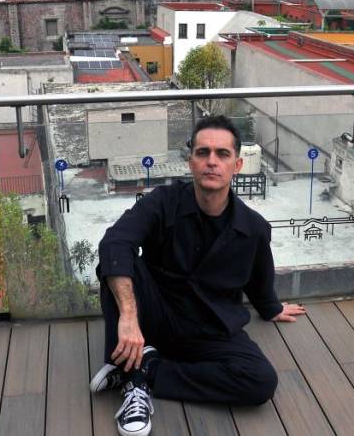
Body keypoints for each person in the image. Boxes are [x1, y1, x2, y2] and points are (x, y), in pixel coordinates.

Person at [90, 115, 306, 436]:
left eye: (222, 154)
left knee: (260, 381)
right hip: (156, 317)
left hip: (211, 330)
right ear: (190, 160)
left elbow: (260, 278)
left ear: (237, 165)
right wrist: (130, 317)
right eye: (203, 153)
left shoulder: (253, 229)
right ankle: (133, 384)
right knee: (119, 260)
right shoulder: (162, 202)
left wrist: (271, 308)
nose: (211, 162)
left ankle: (146, 369)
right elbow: (114, 243)